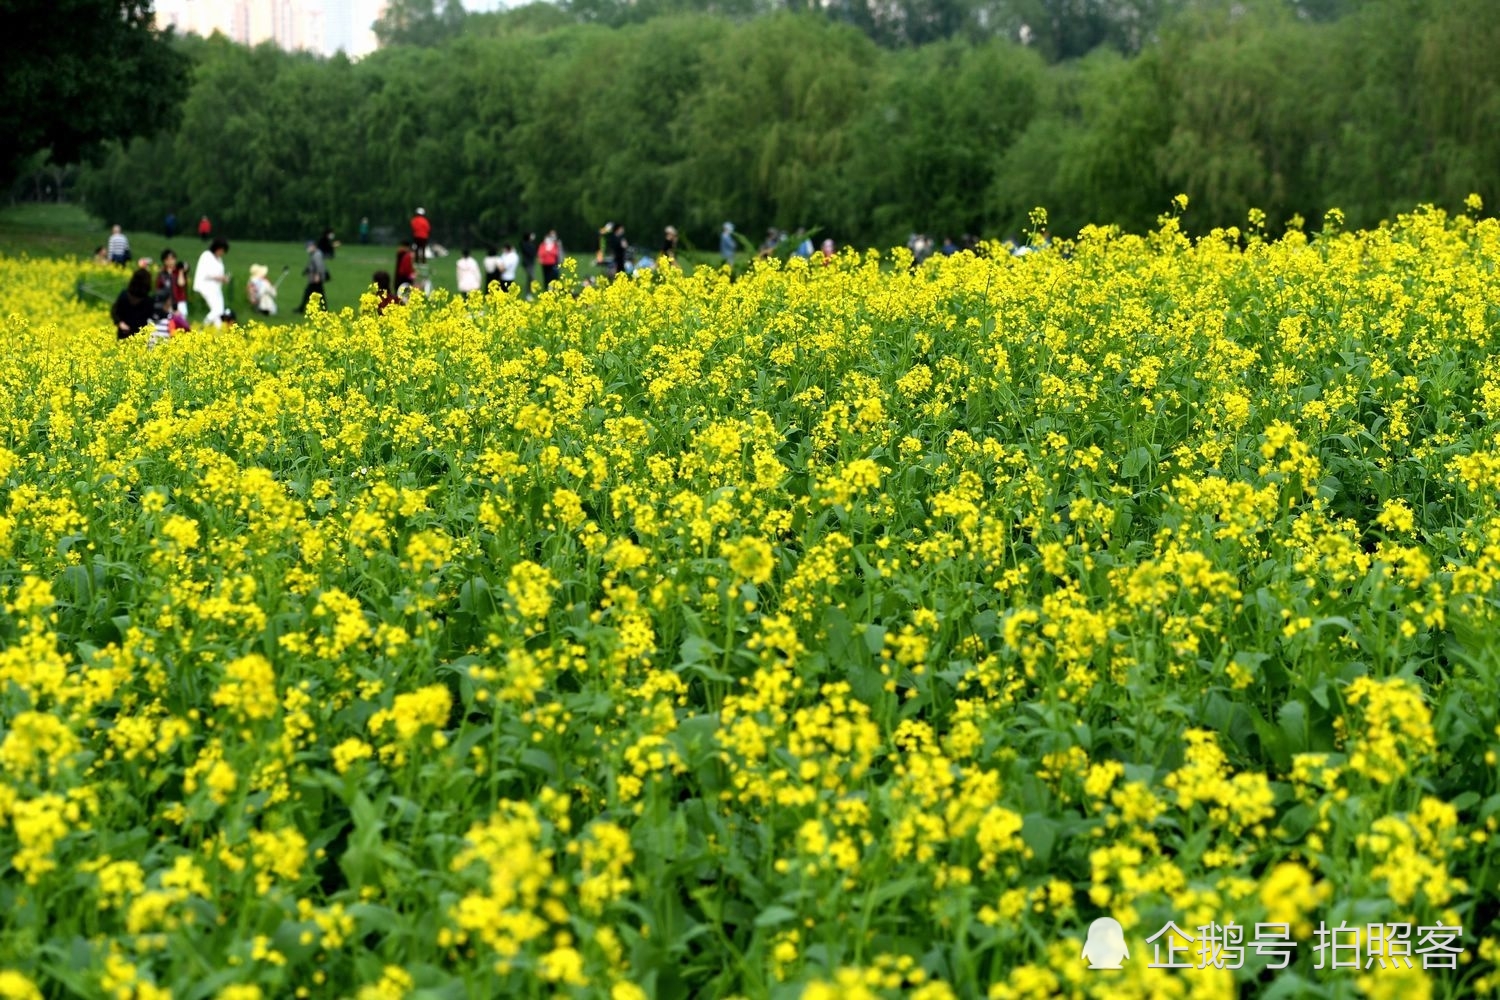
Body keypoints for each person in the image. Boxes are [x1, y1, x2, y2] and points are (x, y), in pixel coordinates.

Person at [112, 267, 159, 340]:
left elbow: (115, 312)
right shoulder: (149, 301)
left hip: (124, 334)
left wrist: (120, 323)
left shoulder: (124, 295)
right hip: (140, 338)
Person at [194, 239, 230, 326]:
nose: (222, 253)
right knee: (217, 309)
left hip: (216, 288)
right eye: (222, 250)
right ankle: (203, 326)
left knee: (219, 310)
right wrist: (221, 277)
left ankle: (219, 331)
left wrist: (224, 278)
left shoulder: (219, 259)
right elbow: (206, 273)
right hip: (206, 287)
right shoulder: (206, 255)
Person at [298, 240, 328, 313]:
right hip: (314, 279)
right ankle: (301, 308)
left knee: (313, 293)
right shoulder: (315, 254)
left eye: (309, 247)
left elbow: (319, 266)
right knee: (314, 294)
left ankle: (301, 309)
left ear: (314, 246)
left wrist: (317, 276)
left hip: (316, 279)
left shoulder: (317, 254)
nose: (308, 249)